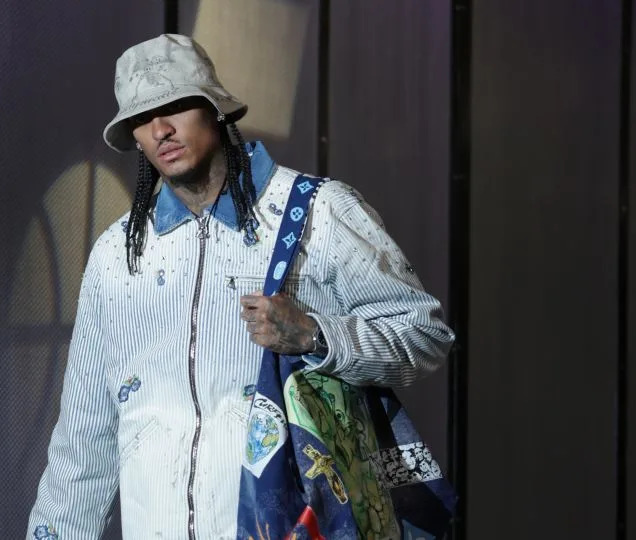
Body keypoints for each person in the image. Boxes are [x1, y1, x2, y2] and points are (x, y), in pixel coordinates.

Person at [27, 33, 454, 539]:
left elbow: (425, 336)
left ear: (215, 109)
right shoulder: (117, 255)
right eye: (142, 118)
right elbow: (84, 442)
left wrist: (317, 336)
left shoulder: (321, 211)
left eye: (177, 106)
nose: (161, 129)